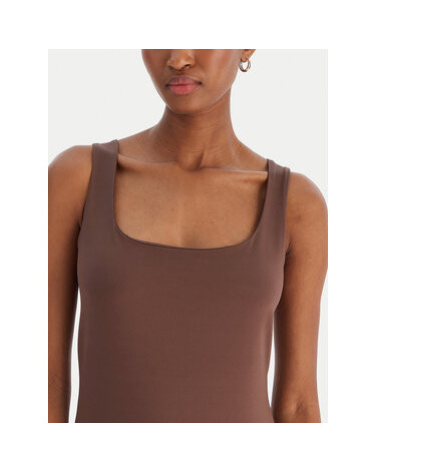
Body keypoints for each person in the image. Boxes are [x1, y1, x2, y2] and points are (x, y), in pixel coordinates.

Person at [48, 49, 328, 423]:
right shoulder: (78, 178)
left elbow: (298, 405)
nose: (178, 57)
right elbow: (47, 382)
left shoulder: (296, 204)